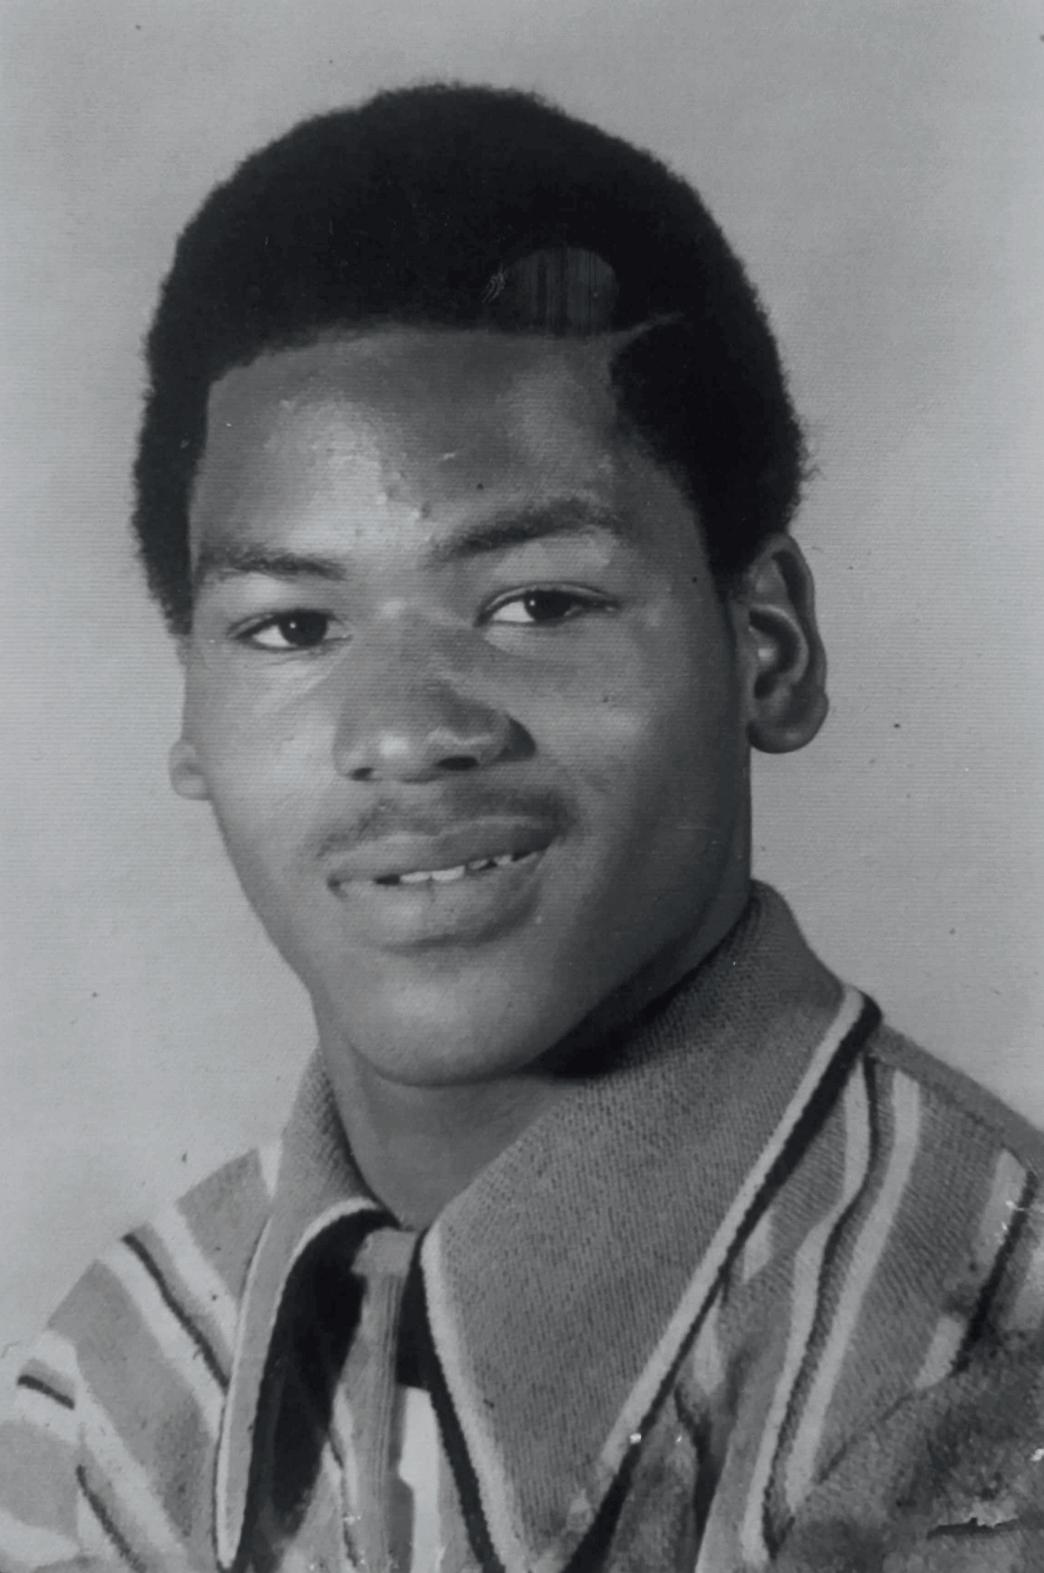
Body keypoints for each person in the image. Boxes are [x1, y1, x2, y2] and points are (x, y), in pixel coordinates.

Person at [1, 83, 1041, 1573]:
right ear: (189, 716)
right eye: (292, 626)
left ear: (768, 644)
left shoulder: (976, 1356)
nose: (404, 732)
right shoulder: (115, 1396)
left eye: (537, 603)